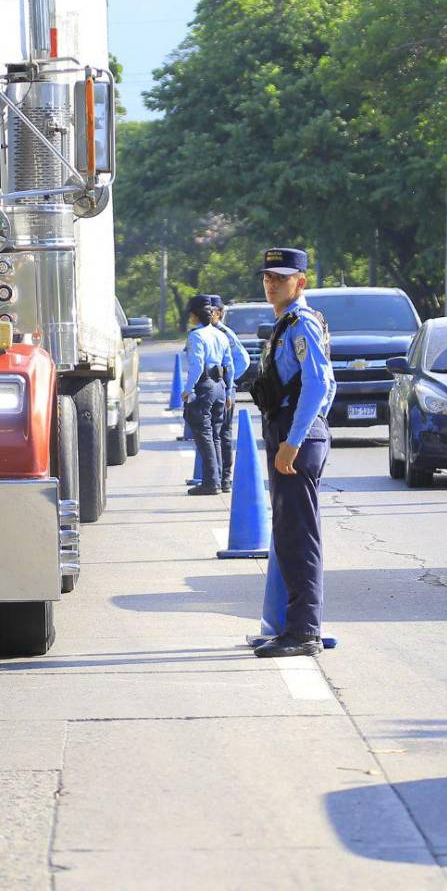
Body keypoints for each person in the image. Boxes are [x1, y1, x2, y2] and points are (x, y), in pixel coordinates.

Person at [249, 248, 336, 657]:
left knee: (298, 539)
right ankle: (295, 624)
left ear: (300, 282)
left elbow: (319, 385)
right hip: (290, 431)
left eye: (281, 278)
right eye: (267, 277)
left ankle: (303, 632)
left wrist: (296, 440)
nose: (271, 284)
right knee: (290, 536)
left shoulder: (301, 323)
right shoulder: (288, 323)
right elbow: (326, 386)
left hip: (293, 438)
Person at [181, 294, 232, 496]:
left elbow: (196, 365)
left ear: (195, 315)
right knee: (216, 436)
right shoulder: (220, 334)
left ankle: (211, 482)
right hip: (220, 385)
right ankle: (218, 480)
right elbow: (230, 364)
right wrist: (228, 390)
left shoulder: (196, 336)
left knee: (204, 435)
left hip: (205, 385)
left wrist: (187, 389)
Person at [209, 294, 251, 493]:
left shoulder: (224, 333)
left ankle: (224, 477)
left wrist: (226, 380)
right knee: (214, 433)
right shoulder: (206, 332)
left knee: (222, 433)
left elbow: (243, 361)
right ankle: (215, 476)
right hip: (212, 390)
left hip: (224, 390)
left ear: (217, 313)